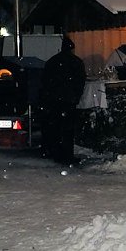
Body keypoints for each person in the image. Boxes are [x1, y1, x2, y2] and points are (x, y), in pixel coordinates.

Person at [40, 36, 87, 164]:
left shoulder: (52, 62)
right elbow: (80, 81)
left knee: (55, 127)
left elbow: (45, 81)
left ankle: (56, 153)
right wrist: (76, 97)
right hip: (68, 100)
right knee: (68, 130)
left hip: (55, 100)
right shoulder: (76, 62)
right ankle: (67, 155)